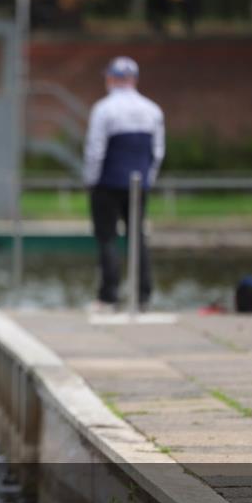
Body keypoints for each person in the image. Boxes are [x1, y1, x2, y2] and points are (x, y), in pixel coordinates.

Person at [83, 56, 165, 312]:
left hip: (107, 183)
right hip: (138, 184)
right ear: (134, 79)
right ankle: (143, 296)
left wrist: (91, 179)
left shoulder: (104, 109)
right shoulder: (153, 109)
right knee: (137, 237)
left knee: (107, 237)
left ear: (110, 78)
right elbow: (158, 152)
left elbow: (95, 150)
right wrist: (148, 180)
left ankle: (109, 297)